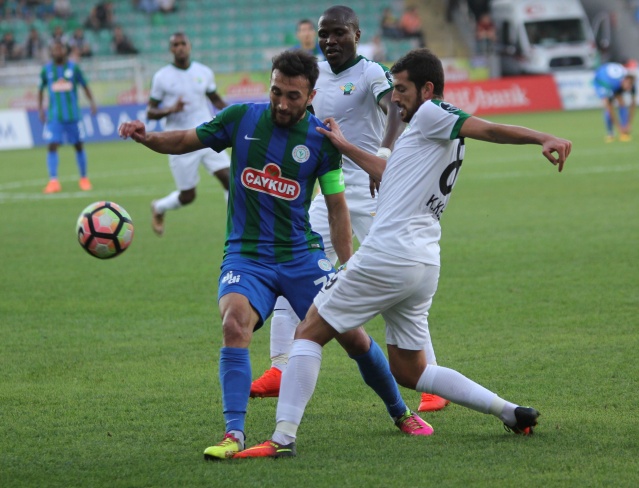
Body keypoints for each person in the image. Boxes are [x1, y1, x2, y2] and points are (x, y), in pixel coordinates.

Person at [234, 48, 572, 459]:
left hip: (388, 254)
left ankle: (282, 439)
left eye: (402, 89)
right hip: (422, 262)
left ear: (427, 89)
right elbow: (386, 173)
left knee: (308, 331)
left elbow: (488, 128)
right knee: (410, 370)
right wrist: (343, 145)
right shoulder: (427, 133)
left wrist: (541, 137)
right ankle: (509, 411)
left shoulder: (433, 113)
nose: (394, 98)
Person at [118, 48, 432, 461]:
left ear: (311, 96)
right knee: (234, 325)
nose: (282, 103)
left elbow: (336, 207)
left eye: (293, 96)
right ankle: (233, 433)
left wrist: (348, 263)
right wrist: (147, 138)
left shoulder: (322, 141)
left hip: (301, 255)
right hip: (246, 255)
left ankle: (400, 411)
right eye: (276, 92)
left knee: (353, 336)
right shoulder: (240, 118)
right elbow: (184, 139)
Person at [251, 5, 450, 414]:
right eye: (324, 33)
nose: (330, 40)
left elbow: (394, 109)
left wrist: (384, 155)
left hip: (374, 189)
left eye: (338, 32)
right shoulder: (315, 76)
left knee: (395, 280)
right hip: (330, 189)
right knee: (293, 264)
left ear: (356, 35)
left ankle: (430, 379)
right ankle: (280, 368)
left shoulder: (371, 73)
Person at [145, 32, 230, 236]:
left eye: (183, 43)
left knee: (231, 181)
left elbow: (216, 100)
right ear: (171, 49)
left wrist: (237, 115)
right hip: (180, 141)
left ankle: (236, 228)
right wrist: (170, 109)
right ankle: (159, 207)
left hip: (207, 135)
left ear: (189, 46)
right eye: (175, 44)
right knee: (188, 196)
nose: (180, 47)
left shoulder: (204, 72)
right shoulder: (162, 77)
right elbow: (150, 111)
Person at [39, 40, 97, 194]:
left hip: (73, 115)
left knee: (78, 145)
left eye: (60, 49)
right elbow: (40, 90)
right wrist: (40, 110)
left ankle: (84, 178)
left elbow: (85, 85)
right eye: (55, 49)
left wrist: (92, 102)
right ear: (51, 52)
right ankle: (53, 181)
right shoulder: (46, 70)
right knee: (52, 145)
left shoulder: (74, 68)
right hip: (55, 116)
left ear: (65, 51)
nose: (58, 51)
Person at [593, 61, 637, 142]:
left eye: (630, 85)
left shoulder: (631, 84)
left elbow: (633, 104)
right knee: (607, 106)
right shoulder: (611, 85)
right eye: (628, 85)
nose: (629, 88)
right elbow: (610, 108)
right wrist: (619, 127)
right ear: (624, 81)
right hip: (601, 79)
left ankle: (624, 131)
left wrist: (628, 124)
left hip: (612, 76)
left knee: (621, 103)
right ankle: (610, 133)